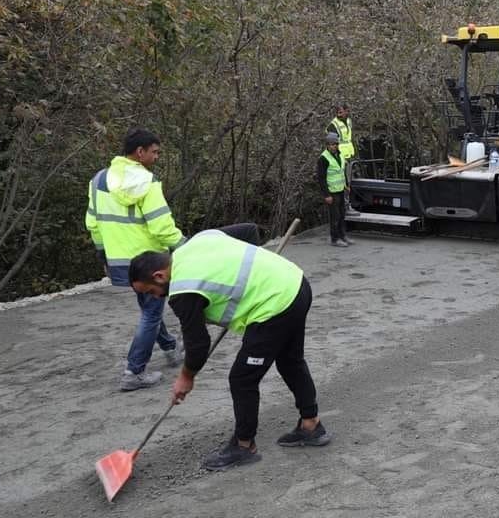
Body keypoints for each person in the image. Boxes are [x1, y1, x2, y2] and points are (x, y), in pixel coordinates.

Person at [129, 227, 331, 471]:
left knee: (242, 379)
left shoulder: (183, 289)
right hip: (295, 283)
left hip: (274, 305)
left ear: (159, 275)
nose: (156, 297)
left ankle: (244, 446)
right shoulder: (197, 242)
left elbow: (198, 344)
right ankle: (311, 425)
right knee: (290, 361)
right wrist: (256, 274)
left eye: (151, 292)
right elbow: (249, 232)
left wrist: (186, 377)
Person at [86, 128, 185, 391]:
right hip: (150, 261)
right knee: (151, 313)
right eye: (154, 152)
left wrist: (103, 254)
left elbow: (93, 223)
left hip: (120, 261)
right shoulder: (147, 182)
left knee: (150, 308)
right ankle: (134, 371)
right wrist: (185, 247)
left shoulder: (98, 180)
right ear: (140, 152)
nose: (156, 157)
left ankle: (171, 348)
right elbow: (161, 226)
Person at [318, 132, 350, 247]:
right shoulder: (323, 158)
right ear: (327, 145)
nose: (334, 146)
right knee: (335, 216)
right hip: (331, 191)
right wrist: (326, 195)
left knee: (342, 214)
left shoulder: (340, 155)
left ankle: (343, 236)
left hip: (340, 189)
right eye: (331, 144)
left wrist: (347, 185)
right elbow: (321, 178)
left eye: (335, 144)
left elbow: (342, 171)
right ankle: (335, 239)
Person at [328, 105, 357, 215]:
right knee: (343, 182)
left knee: (348, 181)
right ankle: (345, 207)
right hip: (340, 157)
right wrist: (338, 157)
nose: (339, 113)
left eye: (342, 111)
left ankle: (345, 206)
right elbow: (332, 144)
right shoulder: (333, 125)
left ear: (347, 111)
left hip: (348, 155)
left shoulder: (349, 121)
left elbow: (349, 139)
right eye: (338, 111)